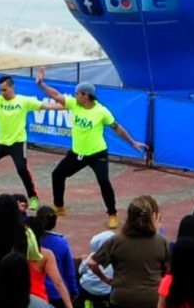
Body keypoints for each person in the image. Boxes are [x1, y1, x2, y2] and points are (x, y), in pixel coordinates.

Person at [37, 79, 144, 218]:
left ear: (86, 95)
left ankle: (112, 214)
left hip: (97, 153)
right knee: (57, 175)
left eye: (77, 94)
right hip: (77, 153)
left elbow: (117, 128)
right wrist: (41, 84)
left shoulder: (102, 112)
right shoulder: (74, 104)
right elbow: (56, 95)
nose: (75, 96)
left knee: (103, 181)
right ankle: (59, 206)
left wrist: (133, 142)